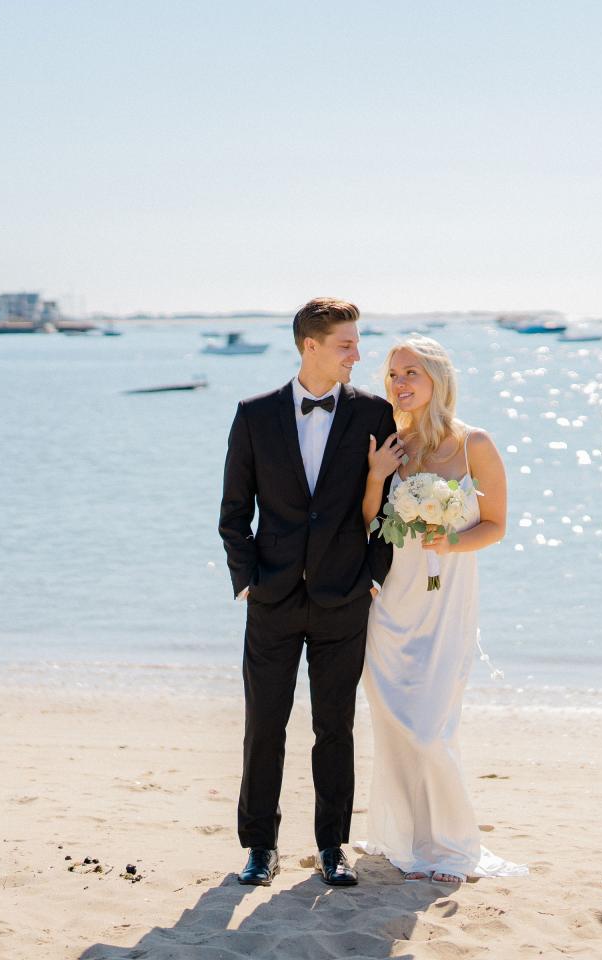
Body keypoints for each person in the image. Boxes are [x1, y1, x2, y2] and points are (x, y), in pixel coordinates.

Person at [218, 297, 397, 887]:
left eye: (357, 342)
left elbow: (390, 506)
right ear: (310, 346)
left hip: (344, 598)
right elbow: (233, 512)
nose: (357, 354)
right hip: (271, 598)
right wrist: (246, 580)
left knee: (336, 727)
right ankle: (259, 848)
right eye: (346, 344)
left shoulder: (374, 413)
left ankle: (331, 848)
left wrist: (373, 575)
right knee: (263, 725)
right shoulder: (254, 414)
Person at [358, 335, 528, 883]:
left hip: (448, 603)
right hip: (390, 607)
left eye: (410, 374)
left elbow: (497, 525)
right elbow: (362, 523)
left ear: (438, 380)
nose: (399, 384)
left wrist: (450, 542)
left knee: (431, 727)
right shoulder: (388, 444)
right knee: (394, 724)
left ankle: (450, 845)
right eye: (392, 374)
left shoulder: (473, 443)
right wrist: (378, 477)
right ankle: (404, 837)